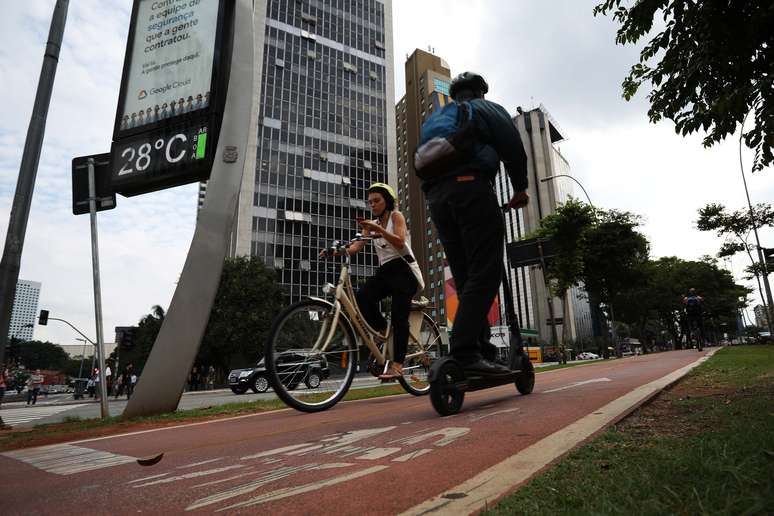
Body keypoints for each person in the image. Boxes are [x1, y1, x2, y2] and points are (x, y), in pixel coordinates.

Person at [420, 72, 529, 375]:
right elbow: (512, 145)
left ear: (455, 95)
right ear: (480, 91)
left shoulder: (435, 119)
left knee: (467, 278)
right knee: (485, 272)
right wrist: (520, 189)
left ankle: (482, 350)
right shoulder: (486, 108)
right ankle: (466, 352)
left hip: (439, 201)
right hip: (472, 190)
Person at [320, 183, 421, 381]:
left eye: (377, 201)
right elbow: (355, 247)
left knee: (400, 317)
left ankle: (398, 365)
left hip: (404, 270)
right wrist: (335, 251)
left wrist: (376, 229)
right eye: (370, 202)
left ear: (387, 201)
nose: (372, 205)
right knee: (362, 297)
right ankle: (382, 328)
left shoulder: (395, 216)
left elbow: (400, 241)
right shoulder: (371, 224)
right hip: (386, 271)